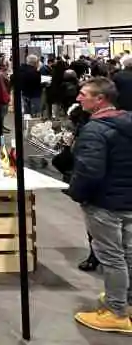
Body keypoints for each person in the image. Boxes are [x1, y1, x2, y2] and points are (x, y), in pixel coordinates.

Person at [68, 77, 132, 334]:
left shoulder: (95, 130)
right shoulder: (127, 122)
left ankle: (116, 312)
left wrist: (76, 193)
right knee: (128, 254)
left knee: (112, 257)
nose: (78, 98)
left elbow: (89, 171)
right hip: (127, 200)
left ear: (100, 99)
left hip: (104, 203)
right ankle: (126, 302)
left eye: (83, 94)